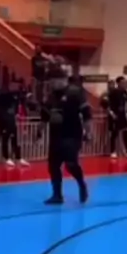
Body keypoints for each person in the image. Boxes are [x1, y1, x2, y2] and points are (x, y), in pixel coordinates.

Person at [41, 76, 90, 205]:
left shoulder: (75, 93)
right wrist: (39, 131)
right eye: (51, 80)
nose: (53, 82)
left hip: (72, 135)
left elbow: (86, 114)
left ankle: (81, 184)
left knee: (70, 163)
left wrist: (88, 132)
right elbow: (44, 116)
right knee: (53, 165)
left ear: (63, 80)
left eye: (56, 80)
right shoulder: (51, 97)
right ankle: (57, 195)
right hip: (55, 136)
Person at [0, 81, 30, 167]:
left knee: (14, 138)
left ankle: (18, 157)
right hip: (3, 119)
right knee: (5, 138)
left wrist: (16, 113)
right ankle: (6, 158)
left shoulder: (16, 95)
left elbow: (17, 104)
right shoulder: (2, 95)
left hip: (11, 120)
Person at [107, 76, 127, 158]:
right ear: (118, 83)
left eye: (125, 82)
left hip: (124, 116)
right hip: (115, 115)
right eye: (122, 83)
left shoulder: (125, 92)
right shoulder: (113, 92)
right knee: (114, 133)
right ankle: (113, 151)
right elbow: (109, 105)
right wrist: (112, 114)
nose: (124, 84)